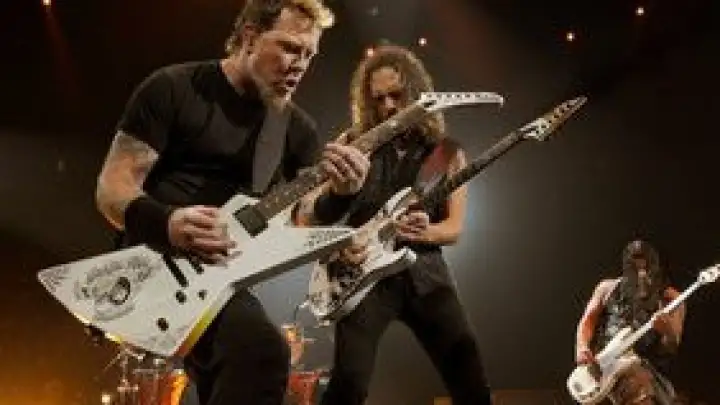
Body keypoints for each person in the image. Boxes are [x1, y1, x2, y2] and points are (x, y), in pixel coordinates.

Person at [94, 0, 371, 404]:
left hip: (220, 279)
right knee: (261, 354)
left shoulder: (296, 129)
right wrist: (168, 222)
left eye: (309, 55)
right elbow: (112, 188)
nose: (299, 65)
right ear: (250, 37)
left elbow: (305, 217)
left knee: (248, 362)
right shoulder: (173, 87)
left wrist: (343, 193)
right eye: (290, 48)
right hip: (150, 264)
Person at [297, 44, 494, 405]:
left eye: (397, 95)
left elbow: (454, 228)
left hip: (425, 274)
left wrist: (425, 230)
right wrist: (338, 243)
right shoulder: (353, 144)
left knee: (470, 379)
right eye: (378, 99)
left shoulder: (447, 153)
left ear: (417, 93)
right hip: (361, 278)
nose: (388, 106)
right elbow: (309, 213)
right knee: (348, 384)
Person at [575, 239, 686, 405]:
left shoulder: (671, 298)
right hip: (604, 365)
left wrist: (668, 331)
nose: (641, 273)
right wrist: (582, 347)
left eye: (645, 267)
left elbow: (671, 346)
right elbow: (588, 320)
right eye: (635, 267)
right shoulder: (607, 288)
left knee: (639, 389)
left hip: (642, 367)